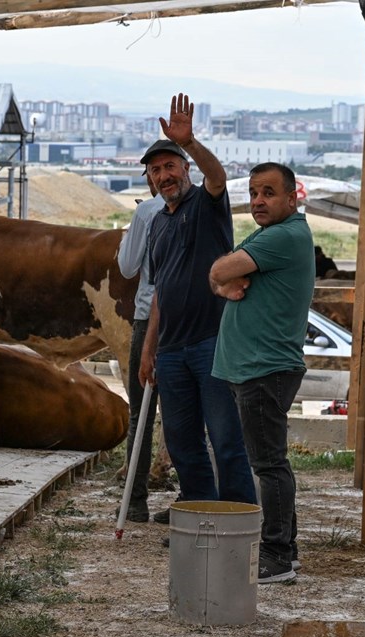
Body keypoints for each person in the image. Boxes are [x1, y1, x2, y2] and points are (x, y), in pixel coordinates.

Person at [138, 94, 258, 529]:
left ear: (185, 169)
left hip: (212, 343)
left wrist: (188, 141)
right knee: (183, 441)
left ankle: (239, 522)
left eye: (171, 166)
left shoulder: (206, 206)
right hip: (171, 351)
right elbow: (160, 293)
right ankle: (199, 519)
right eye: (156, 171)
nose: (165, 175)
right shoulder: (158, 225)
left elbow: (218, 175)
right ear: (151, 182)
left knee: (225, 438)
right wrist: (149, 350)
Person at [210, 162, 315, 584]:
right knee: (270, 463)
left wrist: (221, 281)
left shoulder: (285, 236)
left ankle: (277, 555)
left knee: (269, 465)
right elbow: (223, 278)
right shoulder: (272, 234)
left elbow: (219, 270)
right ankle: (285, 547)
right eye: (254, 193)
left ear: (293, 198)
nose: (259, 201)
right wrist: (223, 284)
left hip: (264, 368)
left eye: (269, 193)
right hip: (255, 367)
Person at [116, 172, 165, 522]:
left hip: (148, 315)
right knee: (187, 413)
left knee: (141, 413)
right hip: (192, 321)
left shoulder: (148, 211)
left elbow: (127, 265)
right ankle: (194, 500)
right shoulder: (204, 207)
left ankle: (135, 502)